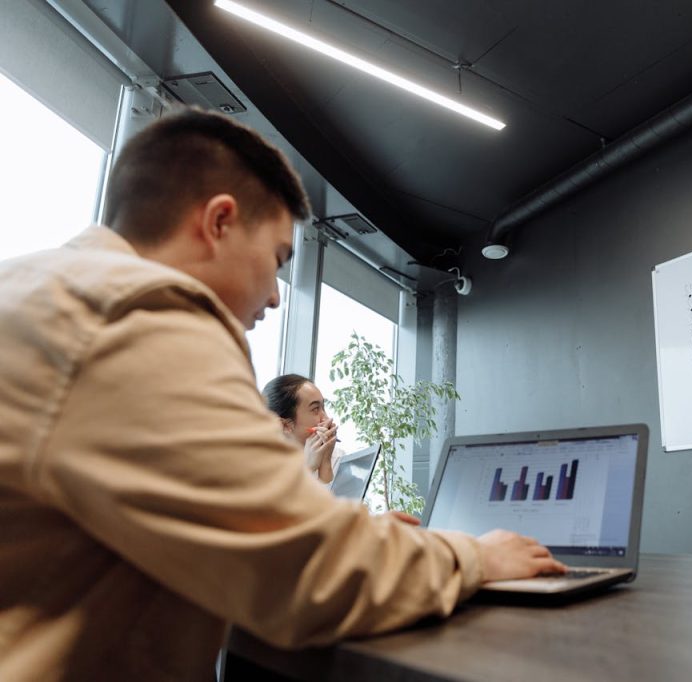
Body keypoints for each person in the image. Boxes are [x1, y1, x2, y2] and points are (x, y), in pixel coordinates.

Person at [0, 108, 564, 681]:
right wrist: (477, 556)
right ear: (219, 221)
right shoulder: (138, 314)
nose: (274, 297)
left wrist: (344, 532)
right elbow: (304, 572)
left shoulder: (40, 290)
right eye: (275, 261)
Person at [262, 374, 339, 483]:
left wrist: (325, 465)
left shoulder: (335, 456)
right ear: (285, 425)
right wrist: (308, 469)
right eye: (315, 409)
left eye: (323, 407)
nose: (326, 418)